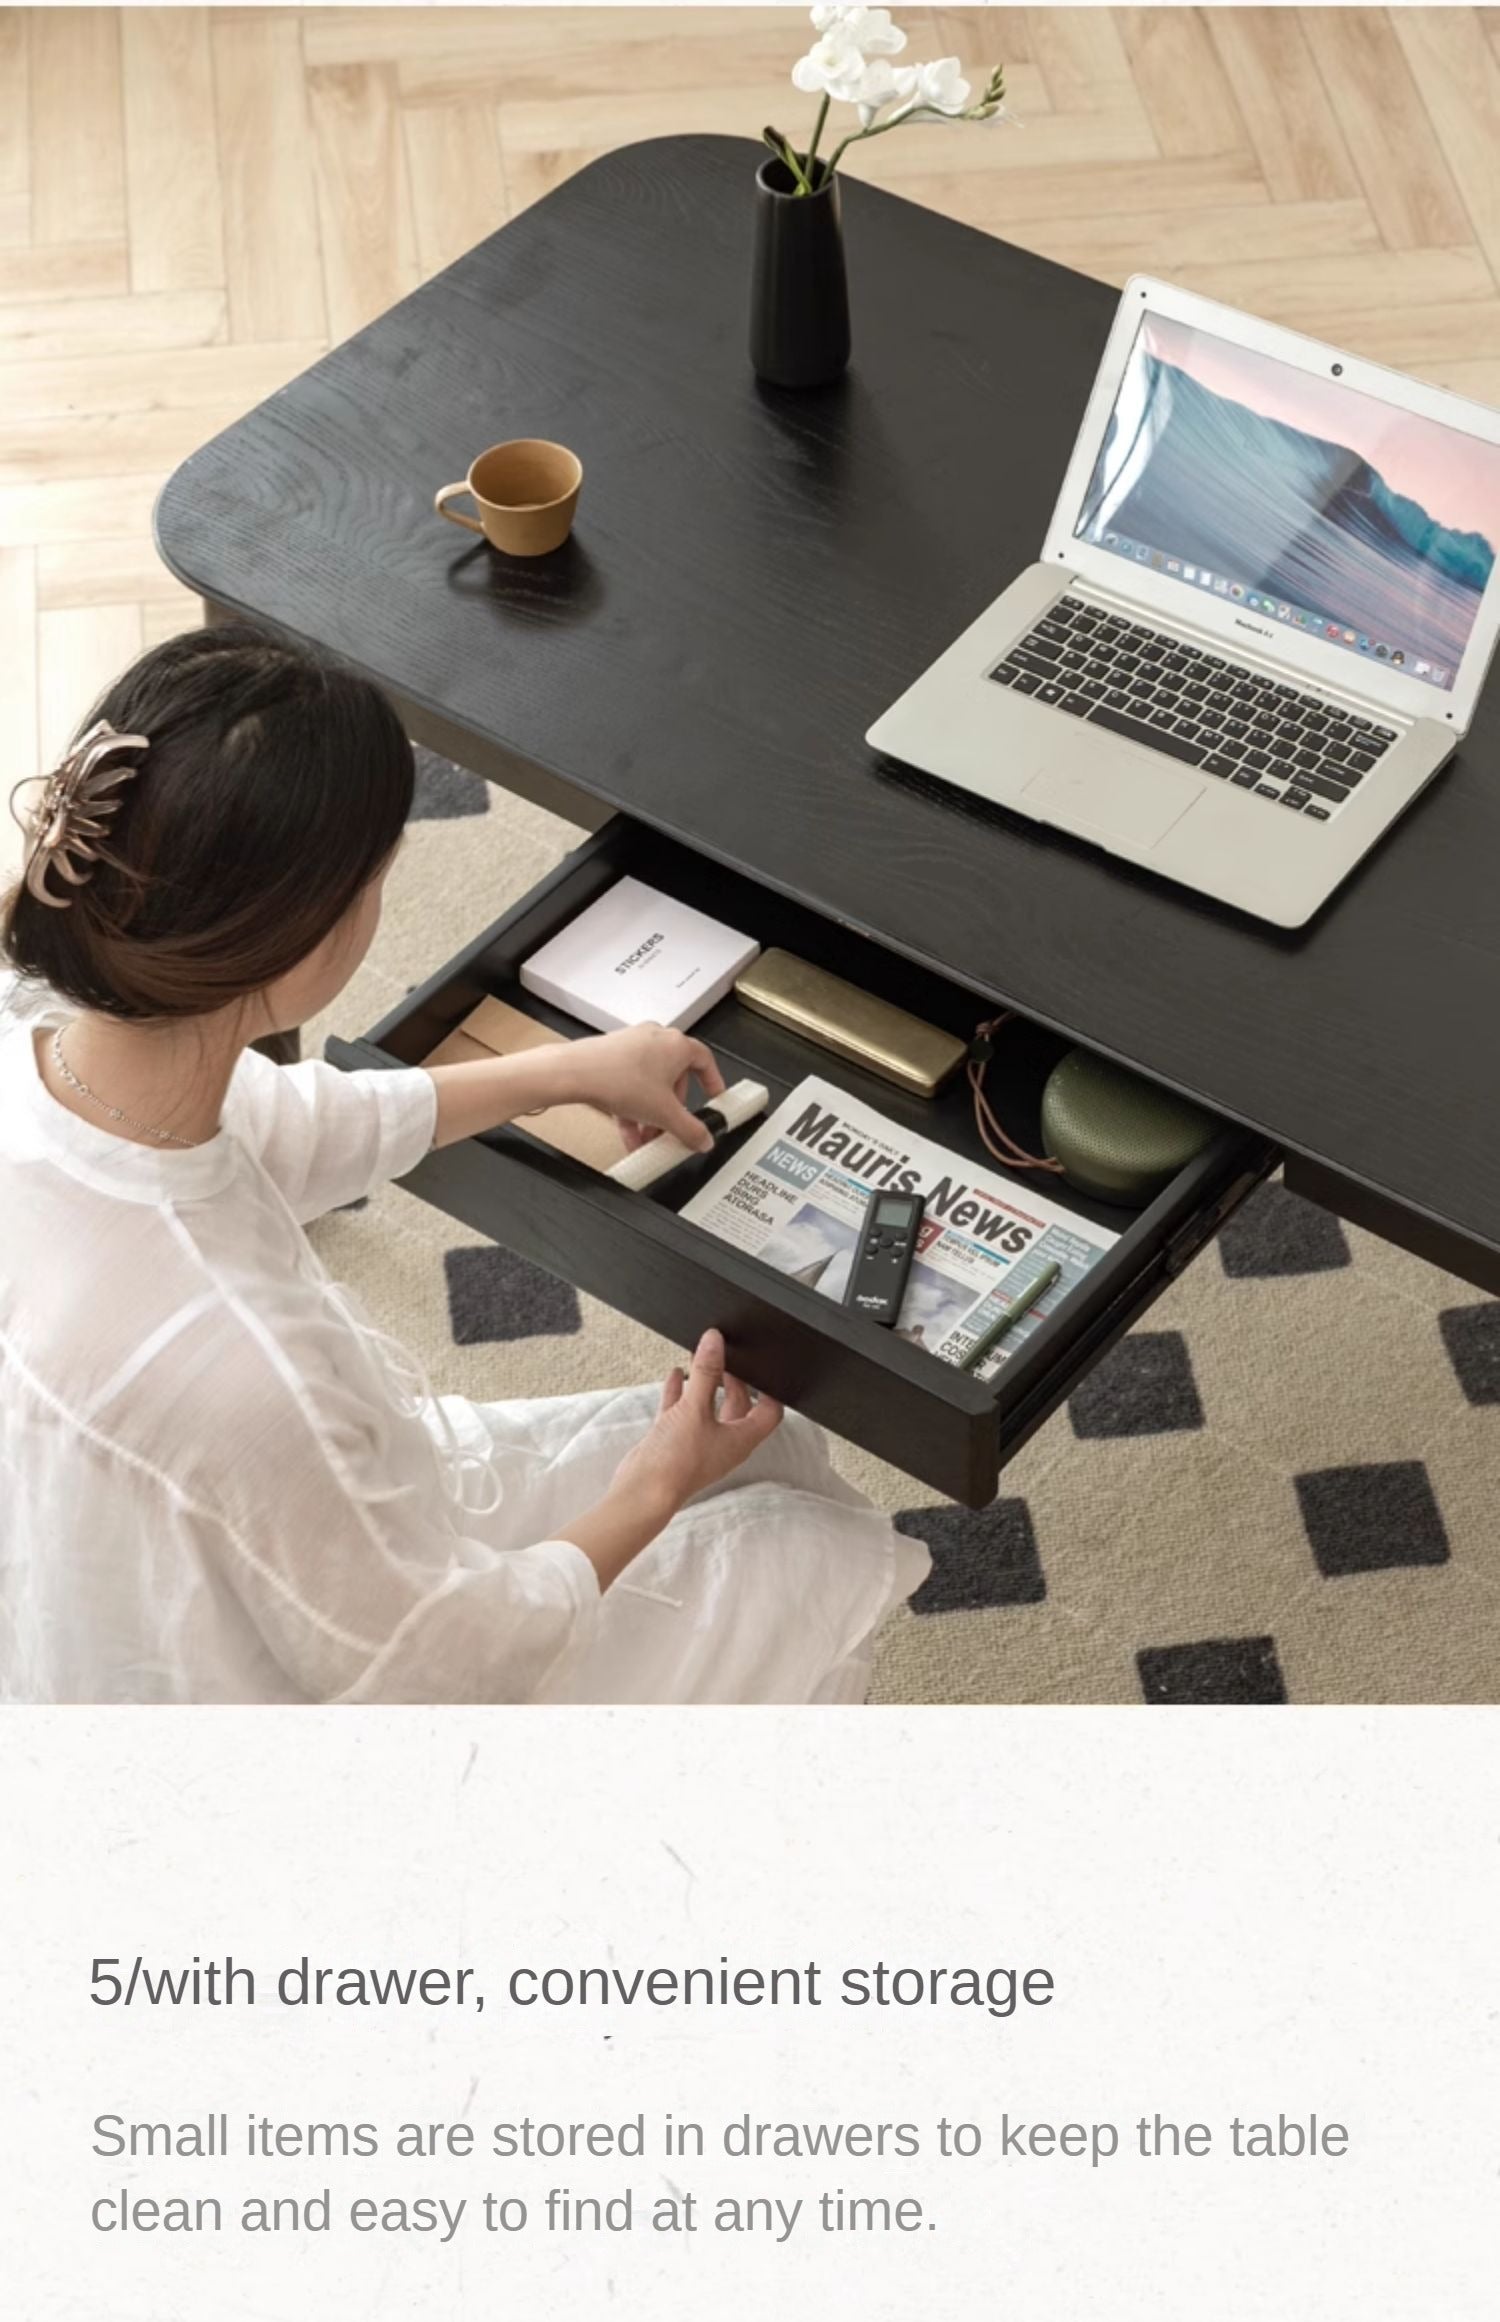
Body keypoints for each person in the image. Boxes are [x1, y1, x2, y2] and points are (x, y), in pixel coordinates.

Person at [0, 626, 928, 1704]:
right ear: (306, 940)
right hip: (302, 1694)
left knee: (768, 1449)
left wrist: (566, 1071)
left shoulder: (57, 1050)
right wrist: (654, 1487)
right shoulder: (252, 1368)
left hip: (209, 1550)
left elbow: (283, 1122)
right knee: (808, 1555)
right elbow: (440, 1663)